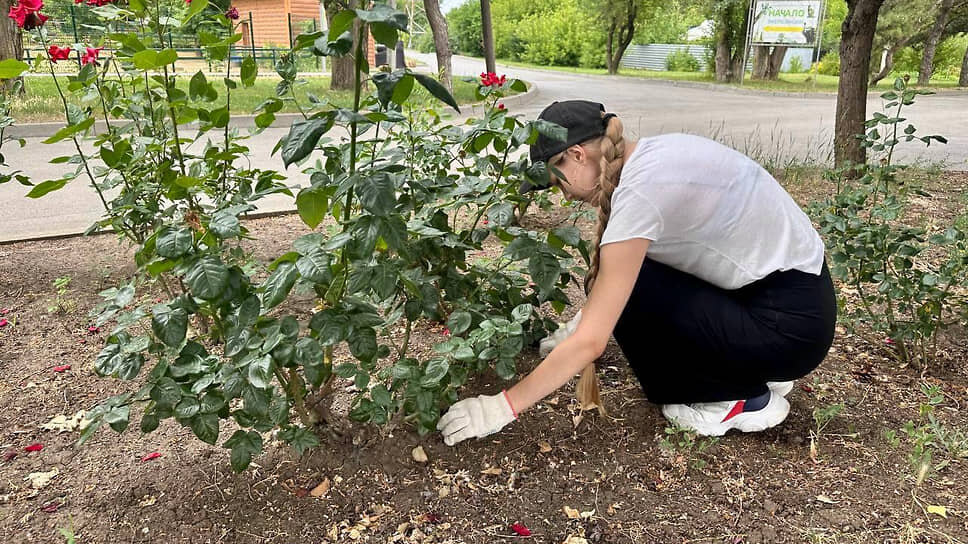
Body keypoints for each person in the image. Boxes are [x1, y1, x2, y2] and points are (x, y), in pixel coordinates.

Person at [436, 100, 836, 445]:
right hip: (794, 305)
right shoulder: (654, 157)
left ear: (577, 155)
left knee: (634, 294)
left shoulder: (641, 195)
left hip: (789, 330)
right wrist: (576, 326)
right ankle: (752, 365)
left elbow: (595, 338)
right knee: (630, 277)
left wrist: (499, 408)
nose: (560, 194)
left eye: (553, 181)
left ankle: (740, 397)